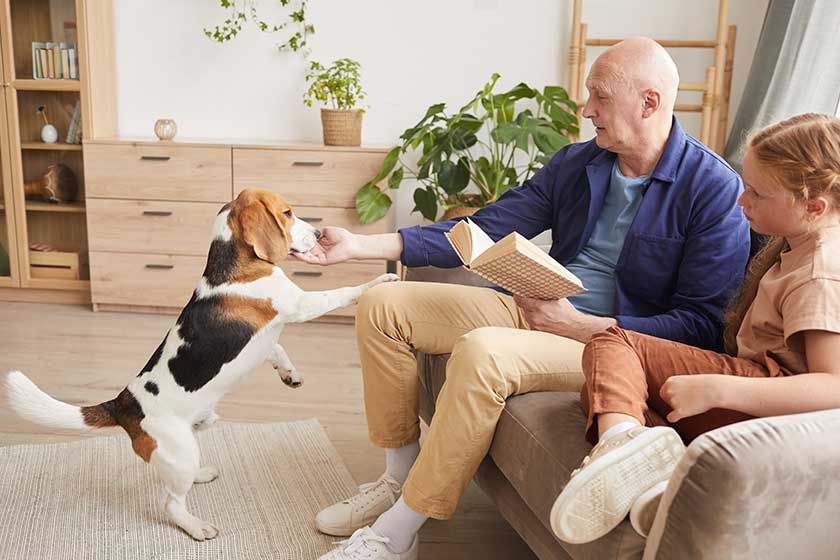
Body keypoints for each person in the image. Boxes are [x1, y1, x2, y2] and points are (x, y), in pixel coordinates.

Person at [298, 37, 750, 560]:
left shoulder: (714, 189)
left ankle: (397, 532)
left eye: (599, 97)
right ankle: (397, 479)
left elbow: (700, 327)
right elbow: (482, 229)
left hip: (610, 346)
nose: (586, 110)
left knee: (484, 352)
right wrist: (361, 244)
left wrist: (580, 326)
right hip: (541, 307)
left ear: (650, 102)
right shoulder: (581, 162)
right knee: (385, 306)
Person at [550, 112, 840, 545]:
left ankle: (619, 446)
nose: (742, 201)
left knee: (614, 342)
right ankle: (651, 477)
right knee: (612, 388)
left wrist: (718, 390)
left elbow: (834, 387)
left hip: (766, 402)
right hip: (753, 388)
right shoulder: (801, 242)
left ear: (814, 206)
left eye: (757, 194)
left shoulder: (820, 270)